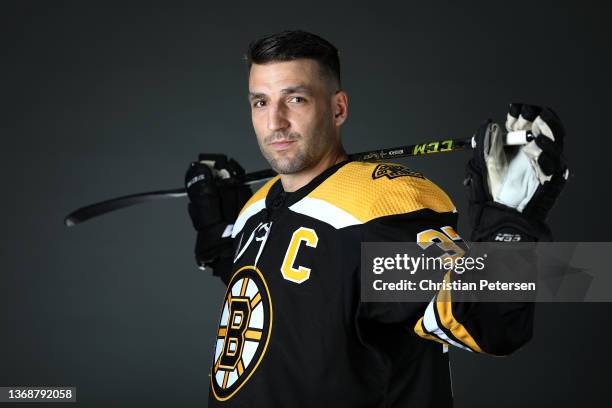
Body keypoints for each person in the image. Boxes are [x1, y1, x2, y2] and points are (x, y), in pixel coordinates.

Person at [184, 30, 568, 407]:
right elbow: (296, 295)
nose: (275, 123)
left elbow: (489, 321)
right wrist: (218, 234)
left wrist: (509, 227)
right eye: (260, 103)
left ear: (338, 108)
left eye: (295, 99)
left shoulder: (376, 210)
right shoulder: (259, 205)